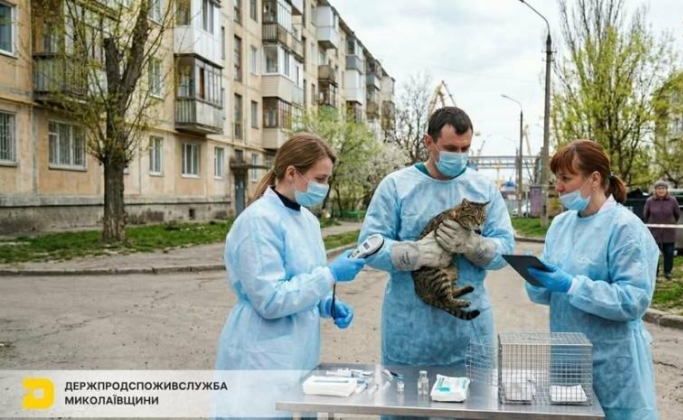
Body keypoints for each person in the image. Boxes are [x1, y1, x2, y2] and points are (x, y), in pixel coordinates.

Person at [214, 133, 366, 419]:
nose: (325, 187)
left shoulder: (306, 219)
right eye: (319, 179)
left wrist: (324, 304)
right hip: (261, 355)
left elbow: (303, 279)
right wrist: (331, 274)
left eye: (327, 179)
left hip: (298, 352)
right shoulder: (258, 221)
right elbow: (270, 300)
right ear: (292, 173)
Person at [358, 106, 515, 368]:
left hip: (469, 333)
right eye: (451, 148)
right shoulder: (397, 186)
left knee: (471, 406)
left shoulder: (483, 188)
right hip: (409, 333)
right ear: (428, 142)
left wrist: (474, 246)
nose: (460, 155)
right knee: (405, 406)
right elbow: (369, 246)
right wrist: (412, 254)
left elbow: (506, 248)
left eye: (466, 149)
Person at [525, 140, 659, 420]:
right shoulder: (561, 225)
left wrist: (572, 285)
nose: (558, 187)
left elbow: (634, 300)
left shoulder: (625, 228)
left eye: (566, 178)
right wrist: (535, 279)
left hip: (613, 364)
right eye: (556, 179)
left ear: (594, 178)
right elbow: (549, 294)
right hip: (567, 361)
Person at [644, 180, 681, 279]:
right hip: (654, 232)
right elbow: (645, 215)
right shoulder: (650, 201)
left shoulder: (672, 200)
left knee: (669, 253)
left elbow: (677, 214)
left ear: (666, 190)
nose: (661, 190)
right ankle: (654, 272)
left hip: (669, 232)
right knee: (653, 253)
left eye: (663, 189)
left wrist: (671, 222)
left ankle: (667, 272)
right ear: (655, 190)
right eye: (659, 189)